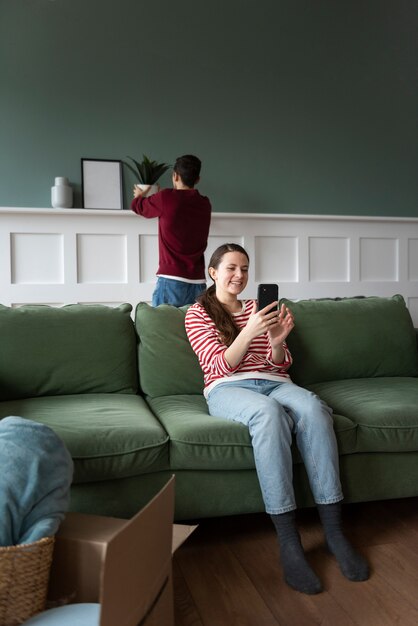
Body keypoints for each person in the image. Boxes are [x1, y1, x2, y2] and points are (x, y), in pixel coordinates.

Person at [184, 243, 369, 595]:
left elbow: (280, 364)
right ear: (213, 272)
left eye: (245, 269)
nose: (239, 276)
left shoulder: (259, 307)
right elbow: (221, 366)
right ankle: (289, 541)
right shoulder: (197, 313)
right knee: (269, 415)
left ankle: (334, 532)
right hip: (228, 388)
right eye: (231, 268)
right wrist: (249, 330)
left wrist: (278, 341)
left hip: (275, 381)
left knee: (314, 408)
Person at [131, 154, 211, 306]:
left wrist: (138, 197)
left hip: (171, 279)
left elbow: (139, 207)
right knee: (194, 329)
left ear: (175, 176)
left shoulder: (165, 197)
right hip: (199, 282)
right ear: (197, 179)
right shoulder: (205, 204)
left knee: (160, 327)